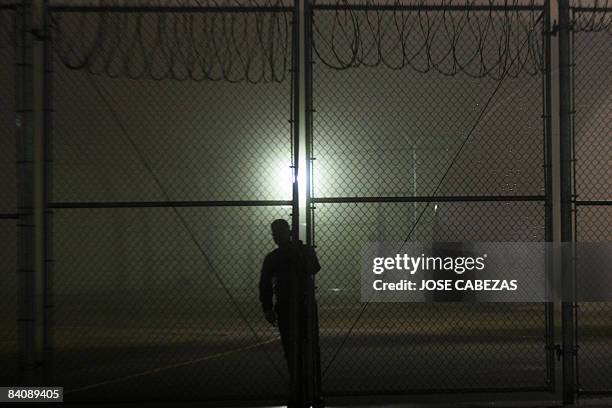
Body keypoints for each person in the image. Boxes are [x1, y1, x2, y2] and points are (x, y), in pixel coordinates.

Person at [259, 219, 323, 408]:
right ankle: (306, 389)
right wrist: (268, 307)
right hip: (296, 306)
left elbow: (313, 268)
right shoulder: (291, 253)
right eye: (274, 233)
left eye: (278, 233)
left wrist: (268, 308)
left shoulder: (281, 256)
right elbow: (313, 268)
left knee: (300, 349)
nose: (275, 237)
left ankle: (303, 389)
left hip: (298, 306)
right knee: (302, 348)